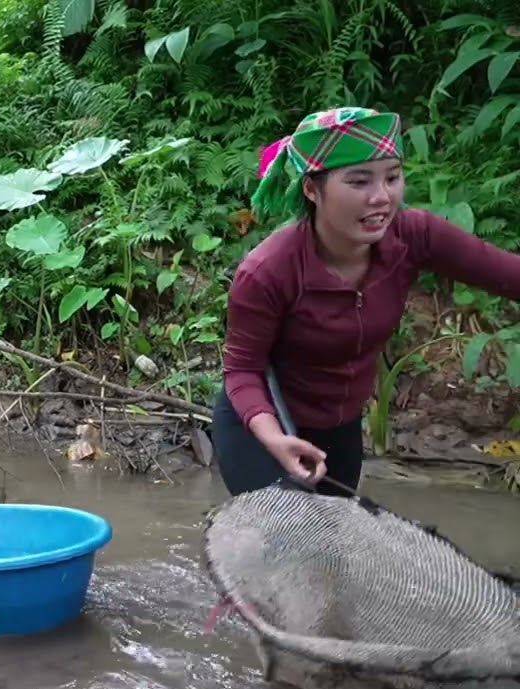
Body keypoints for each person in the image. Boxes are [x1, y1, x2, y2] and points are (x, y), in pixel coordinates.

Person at [209, 106, 520, 497]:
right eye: (359, 182)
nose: (381, 198)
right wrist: (273, 438)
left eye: (392, 178)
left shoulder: (414, 236)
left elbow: (510, 275)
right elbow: (241, 370)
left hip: (337, 427)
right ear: (311, 189)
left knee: (332, 546)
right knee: (277, 540)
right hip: (261, 425)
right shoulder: (269, 270)